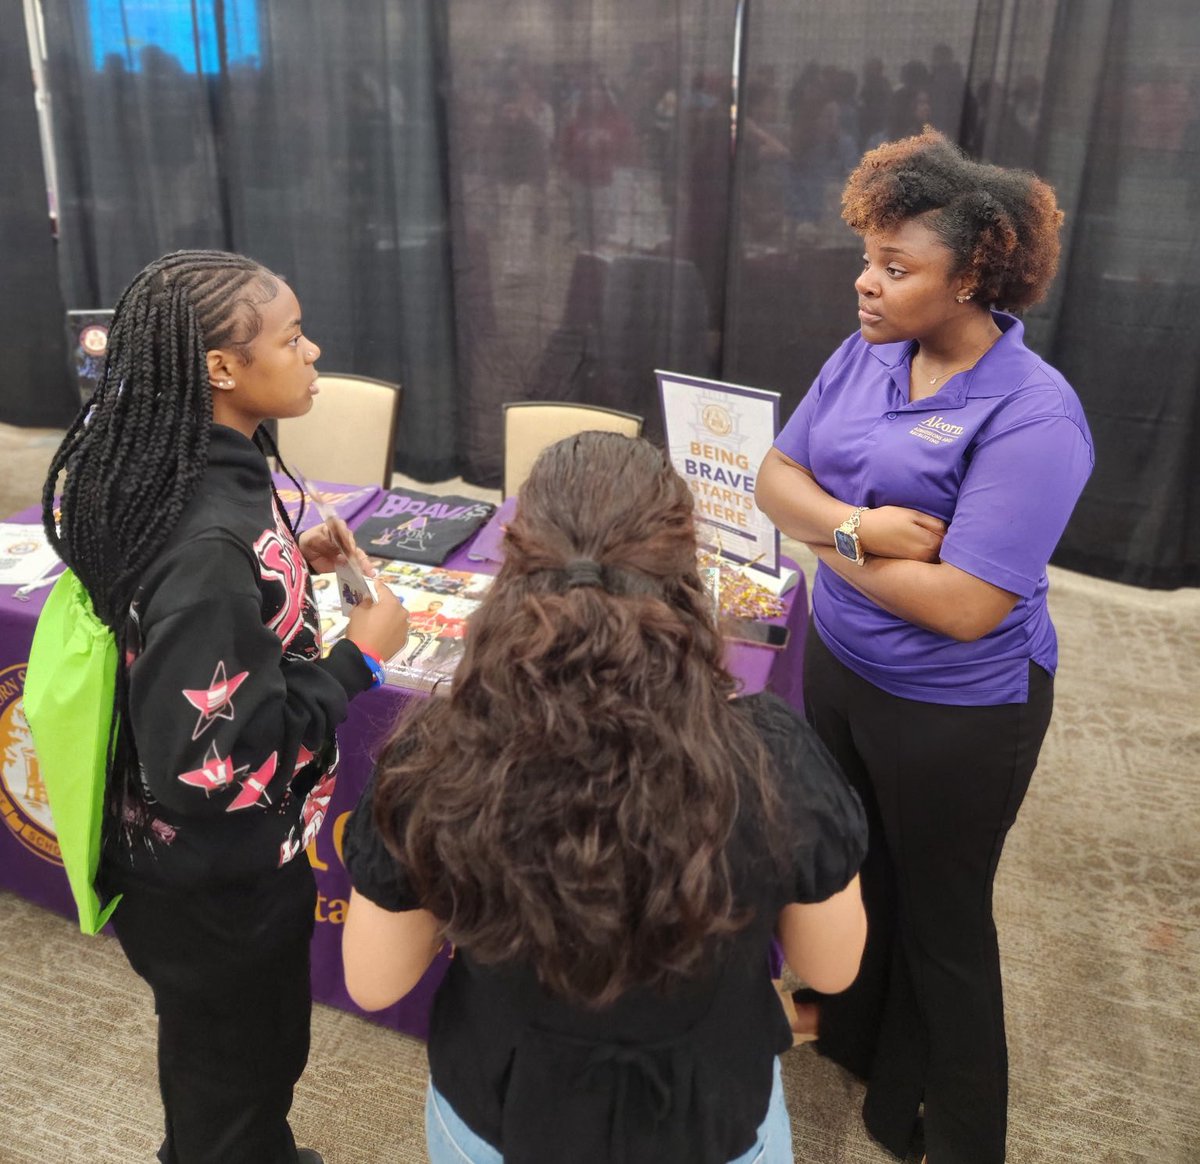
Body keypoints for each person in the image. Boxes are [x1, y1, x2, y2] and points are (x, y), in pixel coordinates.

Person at [340, 431, 870, 1164]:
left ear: (515, 565)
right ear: (686, 569)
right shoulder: (770, 751)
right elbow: (834, 968)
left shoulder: (436, 749)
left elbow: (374, 981)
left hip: (501, 1115)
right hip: (709, 1116)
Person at [755, 130, 1094, 1164]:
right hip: (843, 667)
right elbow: (776, 479)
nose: (865, 284)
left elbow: (964, 608)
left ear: (973, 281)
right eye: (869, 257)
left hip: (961, 709)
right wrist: (857, 528)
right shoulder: (868, 349)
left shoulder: (1035, 416)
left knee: (947, 928)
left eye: (896, 269)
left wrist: (824, 535)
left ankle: (961, 1135)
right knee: (863, 872)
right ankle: (862, 1052)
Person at [41, 249, 410, 1164]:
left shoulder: (189, 469)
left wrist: (288, 569)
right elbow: (219, 767)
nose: (314, 350)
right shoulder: (206, 536)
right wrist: (359, 658)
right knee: (238, 1077)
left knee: (231, 1062)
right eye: (291, 338)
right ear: (221, 368)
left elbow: (205, 611)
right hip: (215, 878)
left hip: (194, 866)